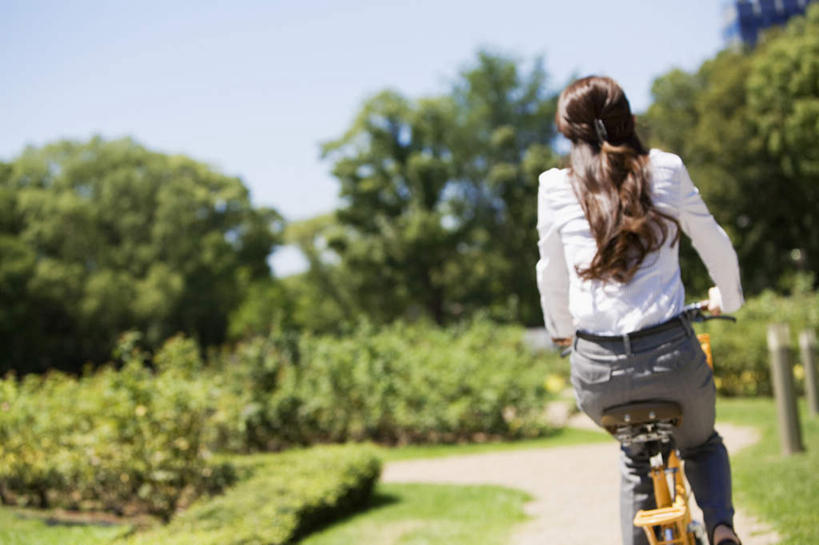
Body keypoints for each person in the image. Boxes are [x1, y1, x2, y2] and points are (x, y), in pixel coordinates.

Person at [536, 76, 744, 545]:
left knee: (634, 456)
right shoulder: (666, 168)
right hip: (672, 359)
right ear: (627, 120)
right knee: (701, 444)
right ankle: (722, 529)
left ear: (569, 133)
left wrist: (562, 331)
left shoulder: (553, 187)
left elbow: (549, 272)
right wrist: (728, 299)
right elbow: (712, 239)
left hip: (597, 372)